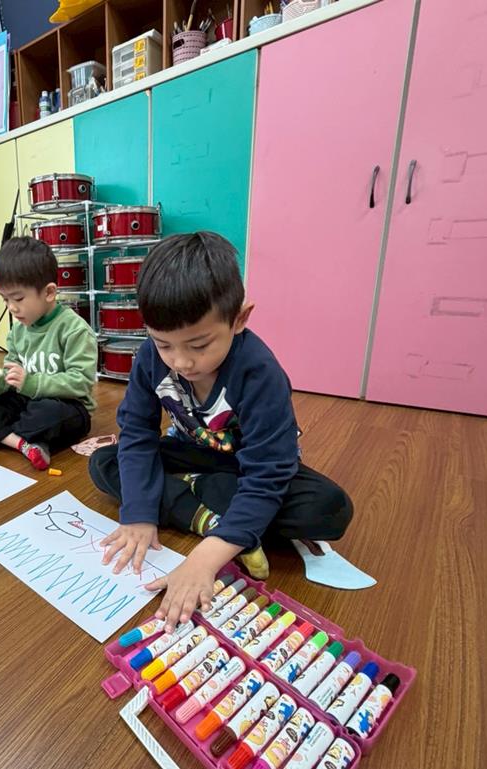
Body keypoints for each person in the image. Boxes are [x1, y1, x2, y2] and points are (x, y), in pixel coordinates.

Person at [89, 232, 353, 631]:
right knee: (105, 461)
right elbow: (138, 433)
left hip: (250, 468)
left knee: (328, 508)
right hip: (195, 454)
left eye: (199, 345)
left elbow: (268, 472)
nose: (181, 362)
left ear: (239, 319)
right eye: (164, 345)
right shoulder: (149, 358)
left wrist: (204, 559)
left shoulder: (260, 373)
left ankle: (200, 502)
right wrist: (139, 515)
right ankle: (211, 515)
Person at [0, 236, 97, 470]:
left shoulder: (74, 329)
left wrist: (31, 382)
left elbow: (81, 382)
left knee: (49, 413)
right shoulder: (18, 331)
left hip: (68, 406)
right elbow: (12, 374)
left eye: (19, 298)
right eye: (5, 299)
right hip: (27, 402)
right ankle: (25, 443)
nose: (12, 308)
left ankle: (9, 435)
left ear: (49, 292)